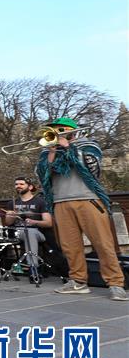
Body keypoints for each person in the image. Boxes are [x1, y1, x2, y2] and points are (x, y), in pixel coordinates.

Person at [36, 118, 126, 301]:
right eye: (53, 130)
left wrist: (69, 147)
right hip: (61, 202)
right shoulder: (47, 152)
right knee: (70, 246)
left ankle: (116, 283)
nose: (56, 133)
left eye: (60, 130)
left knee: (103, 243)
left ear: (72, 131)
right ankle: (78, 281)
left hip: (88, 200)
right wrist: (53, 152)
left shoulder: (88, 146)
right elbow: (41, 174)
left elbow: (92, 168)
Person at [3, 176, 51, 276]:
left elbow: (48, 222)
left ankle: (33, 267)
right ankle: (0, 267)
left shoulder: (40, 202)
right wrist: (11, 215)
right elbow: (8, 223)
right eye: (16, 184)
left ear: (30, 187)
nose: (18, 186)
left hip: (37, 232)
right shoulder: (12, 203)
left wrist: (34, 222)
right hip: (18, 233)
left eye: (21, 184)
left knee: (29, 232)